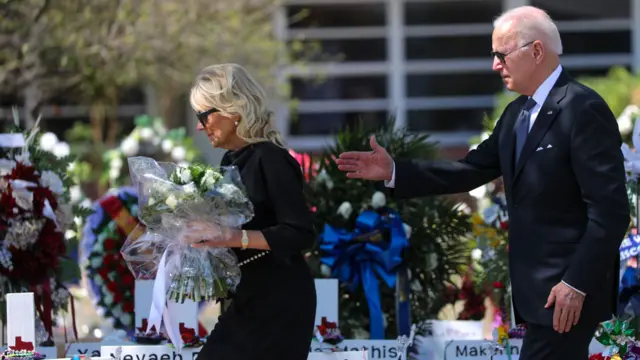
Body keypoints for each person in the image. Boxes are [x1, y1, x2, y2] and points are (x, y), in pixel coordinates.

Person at [336, 6, 629, 360]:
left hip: (566, 294)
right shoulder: (516, 113)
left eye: (501, 54)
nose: (495, 65)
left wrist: (575, 284)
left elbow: (610, 211)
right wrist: (396, 171)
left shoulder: (583, 109)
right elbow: (470, 170)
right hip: (538, 296)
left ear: (536, 51)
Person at [183, 63, 317, 360]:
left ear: (233, 111)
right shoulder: (231, 161)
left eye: (203, 115)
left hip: (279, 300)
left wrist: (232, 237)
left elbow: (300, 233)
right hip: (248, 296)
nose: (198, 126)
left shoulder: (270, 158)